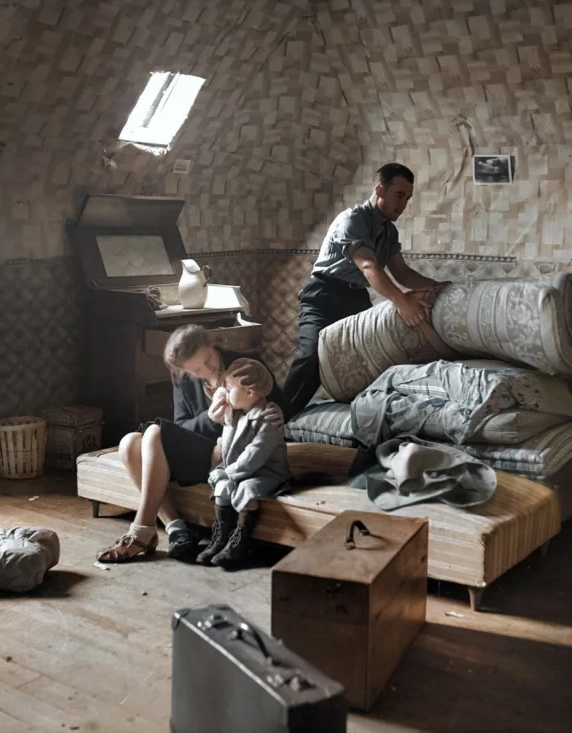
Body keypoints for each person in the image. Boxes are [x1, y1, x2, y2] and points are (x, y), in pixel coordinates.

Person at [96, 325, 288, 563]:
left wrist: (278, 412)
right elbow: (182, 425)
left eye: (208, 359)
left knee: (153, 432)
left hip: (230, 454)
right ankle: (176, 528)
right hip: (201, 450)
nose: (207, 369)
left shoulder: (244, 365)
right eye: (197, 369)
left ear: (212, 344)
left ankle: (142, 530)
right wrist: (209, 419)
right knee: (129, 443)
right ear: (185, 370)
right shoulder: (184, 380)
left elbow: (281, 404)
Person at [282, 162, 450, 417]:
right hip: (324, 294)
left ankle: (359, 417)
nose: (403, 204)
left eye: (407, 198)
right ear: (379, 189)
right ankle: (280, 417)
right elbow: (368, 266)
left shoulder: (389, 231)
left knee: (366, 356)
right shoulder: (352, 219)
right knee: (312, 355)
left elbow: (402, 273)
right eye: (399, 195)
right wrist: (402, 303)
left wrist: (437, 287)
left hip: (355, 297)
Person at [196, 358, 292, 568]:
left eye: (229, 388)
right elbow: (227, 443)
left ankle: (241, 542)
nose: (225, 392)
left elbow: (253, 455)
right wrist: (224, 473)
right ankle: (221, 537)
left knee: (247, 489)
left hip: (266, 472)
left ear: (249, 392)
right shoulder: (235, 412)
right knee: (222, 487)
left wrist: (228, 472)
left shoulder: (268, 418)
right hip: (237, 470)